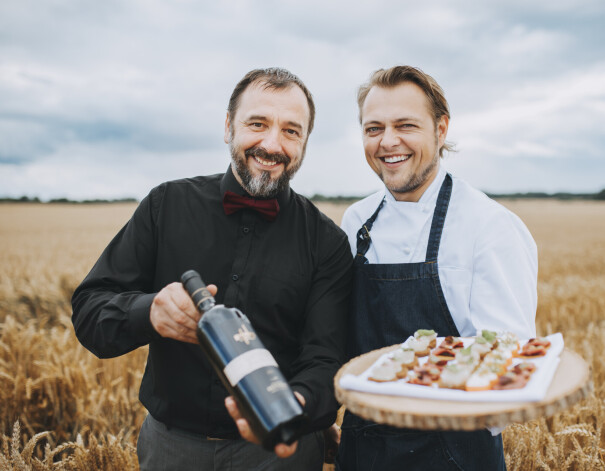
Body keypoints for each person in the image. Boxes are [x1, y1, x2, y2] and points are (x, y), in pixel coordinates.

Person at [71, 67, 353, 470]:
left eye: (292, 131)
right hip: (170, 449)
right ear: (228, 126)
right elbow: (89, 312)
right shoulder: (165, 205)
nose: (272, 144)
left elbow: (327, 359)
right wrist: (149, 311)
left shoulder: (327, 242)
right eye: (258, 123)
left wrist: (295, 407)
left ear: (306, 141)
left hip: (279, 454)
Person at [335, 66, 538, 470]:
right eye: (373, 128)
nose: (388, 141)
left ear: (441, 129)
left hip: (451, 452)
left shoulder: (488, 226)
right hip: (363, 447)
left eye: (405, 125)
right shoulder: (357, 221)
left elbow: (507, 366)